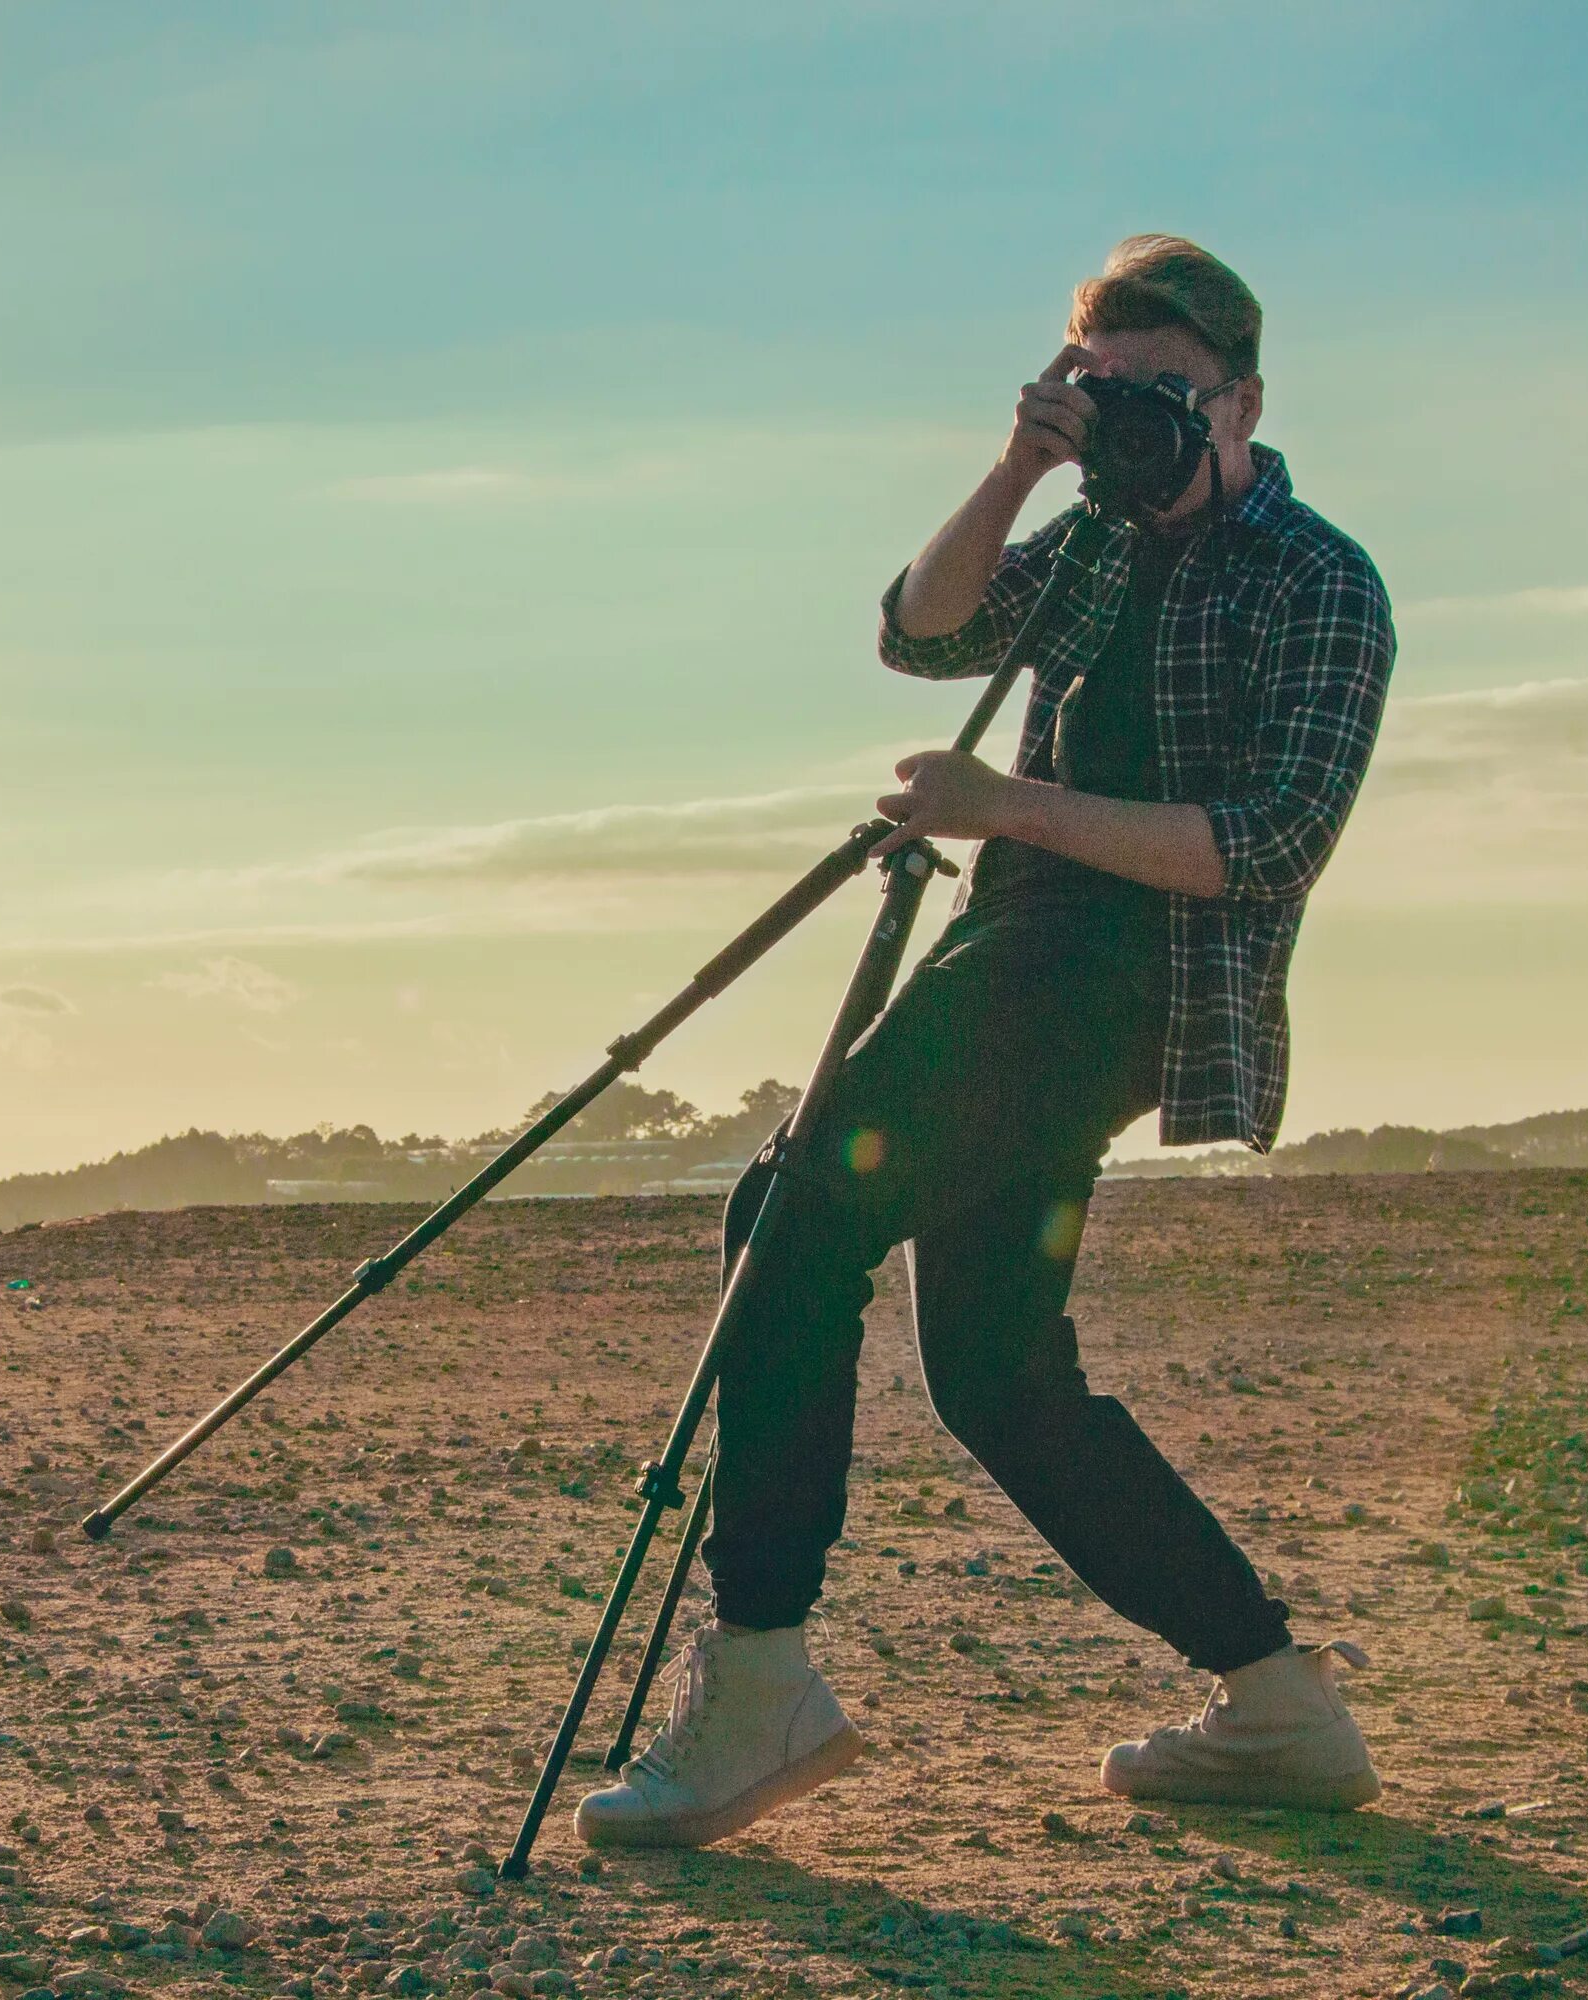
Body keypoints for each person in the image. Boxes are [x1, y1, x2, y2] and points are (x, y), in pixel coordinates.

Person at [577, 235, 1397, 1850]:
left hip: (1129, 983)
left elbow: (1269, 841)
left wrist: (1002, 808)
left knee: (793, 1215)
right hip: (1013, 956)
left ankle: (761, 1690)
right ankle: (1279, 1706)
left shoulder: (1321, 579)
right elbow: (923, 632)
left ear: (1242, 398)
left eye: (1164, 397)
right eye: (1105, 394)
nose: (1137, 427)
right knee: (1002, 1378)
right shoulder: (1088, 540)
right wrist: (1024, 461)